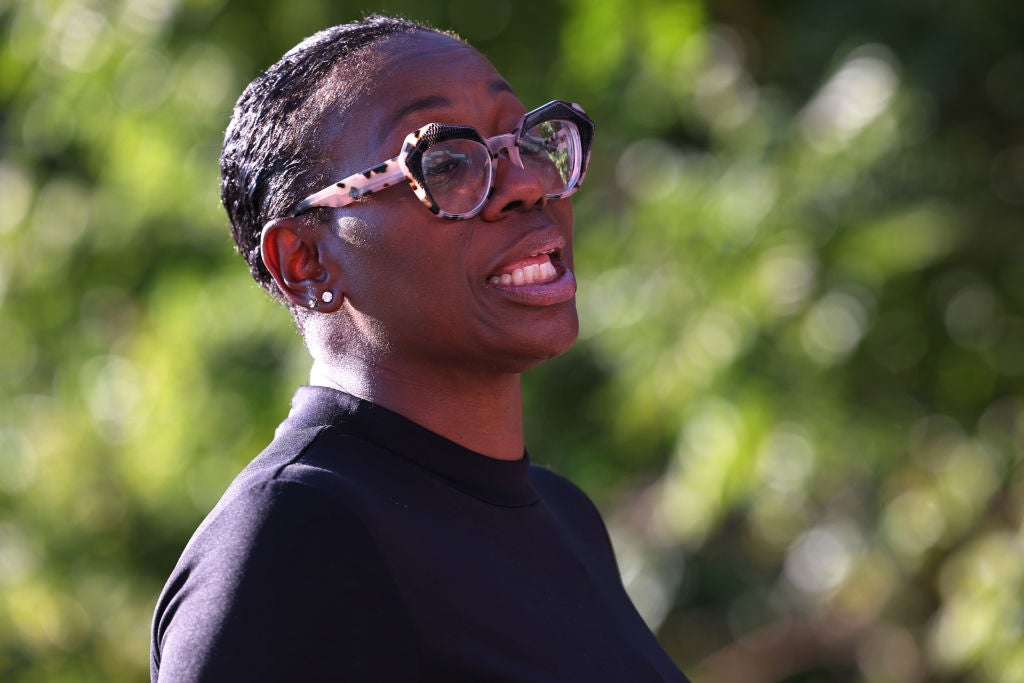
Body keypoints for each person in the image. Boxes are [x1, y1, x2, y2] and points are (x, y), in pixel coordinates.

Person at [150, 14, 689, 682]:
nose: (523, 183)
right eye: (445, 163)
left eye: (525, 141)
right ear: (306, 261)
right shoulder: (293, 536)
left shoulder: (562, 512)